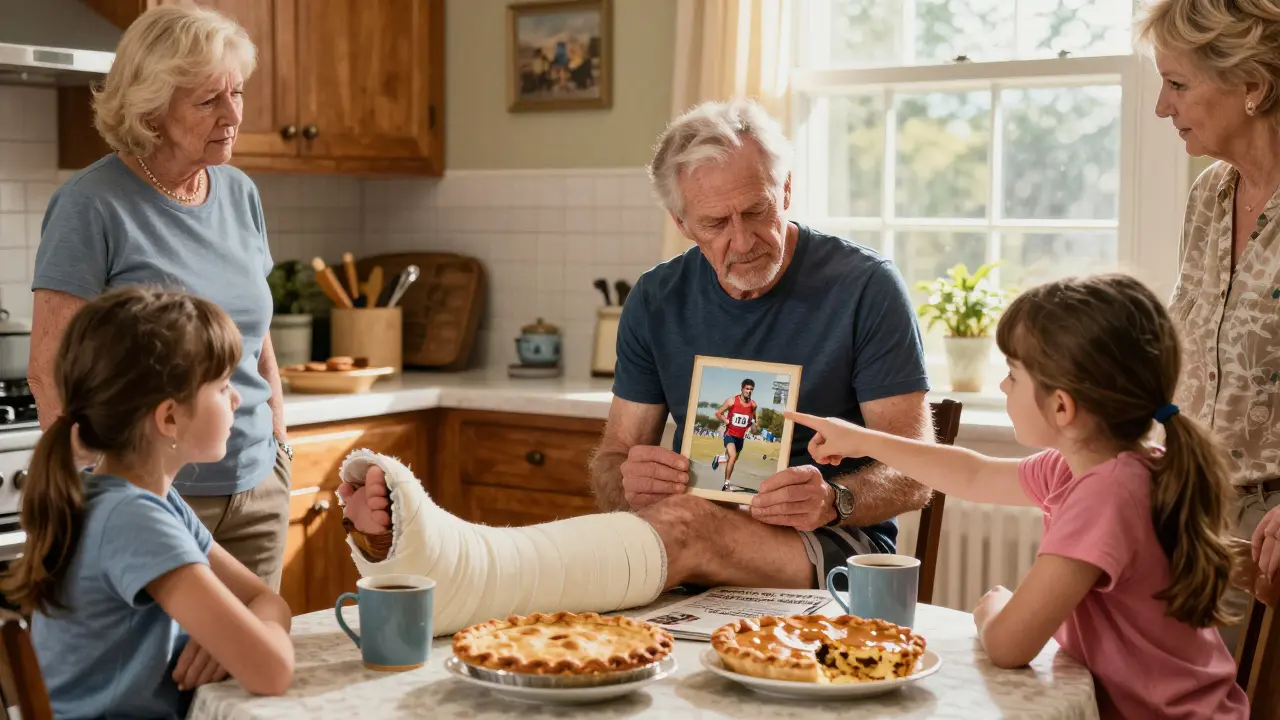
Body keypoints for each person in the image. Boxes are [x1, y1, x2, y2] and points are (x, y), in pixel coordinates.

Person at [786, 274, 1247, 719]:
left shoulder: (1106, 495)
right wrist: (865, 440)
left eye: (1013, 375)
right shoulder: (1096, 467)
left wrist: (993, 605)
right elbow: (973, 474)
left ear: (1062, 406)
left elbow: (1009, 645)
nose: (1004, 386)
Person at [28, 4, 293, 588]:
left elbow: (253, 323)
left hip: (256, 486)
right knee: (167, 676)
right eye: (207, 101)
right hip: (155, 496)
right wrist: (101, 488)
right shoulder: (91, 205)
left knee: (249, 666)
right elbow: (49, 369)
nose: (232, 115)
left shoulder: (240, 192)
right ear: (150, 107)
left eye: (237, 93)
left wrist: (276, 428)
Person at [0, 287, 293, 719]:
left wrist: (234, 637)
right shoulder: (132, 519)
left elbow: (266, 600)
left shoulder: (152, 501)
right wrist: (246, 638)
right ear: (169, 417)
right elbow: (272, 671)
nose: (237, 399)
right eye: (222, 385)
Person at [1136, 0, 1280, 648]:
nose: (1162, 108)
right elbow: (1189, 356)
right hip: (1195, 530)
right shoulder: (1209, 196)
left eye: (1178, 84)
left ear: (1253, 85)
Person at [711, 378, 757, 490]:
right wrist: (725, 420)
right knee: (732, 456)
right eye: (747, 389)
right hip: (729, 434)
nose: (749, 391)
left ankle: (719, 458)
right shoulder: (731, 401)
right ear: (742, 388)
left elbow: (753, 418)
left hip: (740, 438)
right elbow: (718, 412)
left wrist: (754, 425)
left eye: (751, 389)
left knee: (731, 459)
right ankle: (727, 483)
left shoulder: (753, 405)